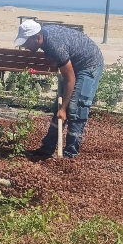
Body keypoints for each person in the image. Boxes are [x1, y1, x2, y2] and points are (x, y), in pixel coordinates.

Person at [14, 20, 104, 158]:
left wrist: (64, 109)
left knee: (75, 108)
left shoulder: (54, 45)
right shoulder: (45, 37)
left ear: (37, 38)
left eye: (26, 43)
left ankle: (69, 155)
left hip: (89, 65)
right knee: (60, 108)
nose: (25, 47)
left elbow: (70, 79)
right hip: (75, 63)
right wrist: (61, 109)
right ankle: (47, 150)